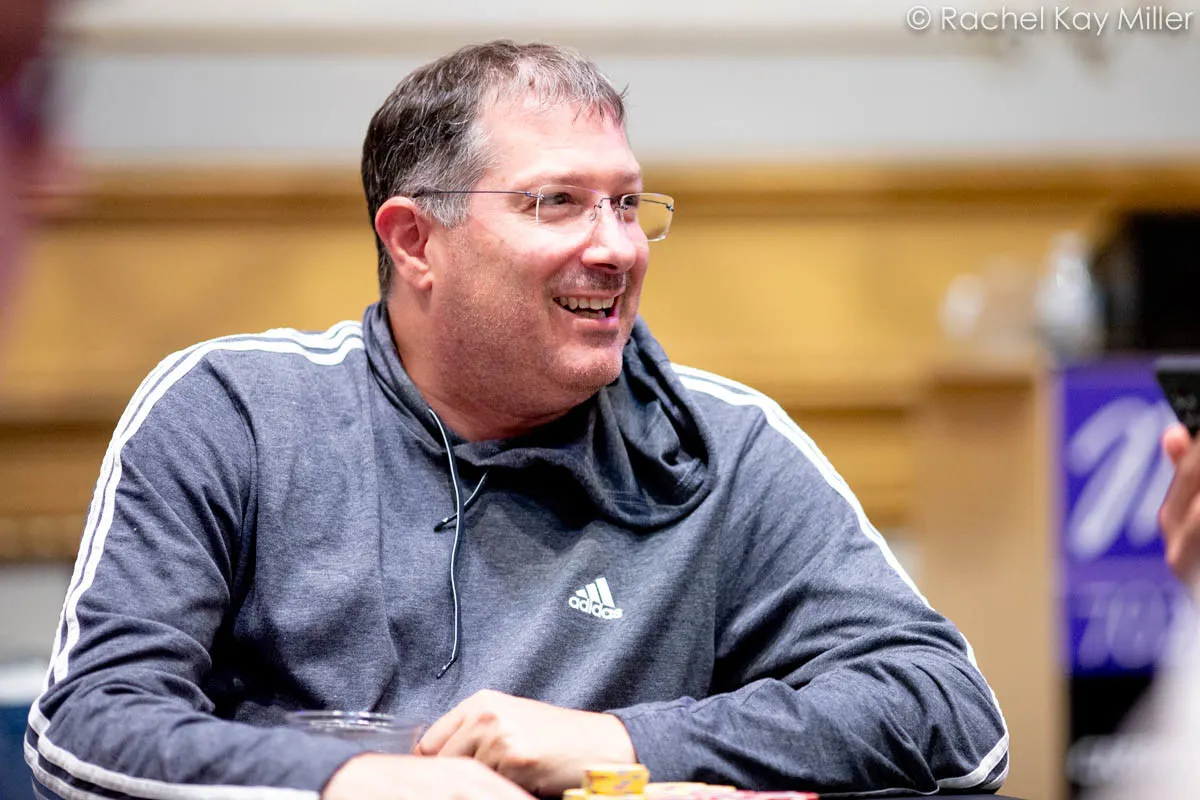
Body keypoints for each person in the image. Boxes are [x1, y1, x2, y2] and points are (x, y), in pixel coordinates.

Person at [25, 41, 1009, 800]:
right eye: (558, 202)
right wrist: (361, 783)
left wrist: (622, 743)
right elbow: (86, 728)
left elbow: (956, 720)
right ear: (415, 240)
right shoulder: (231, 414)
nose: (617, 247)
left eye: (628, 203)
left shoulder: (726, 448)